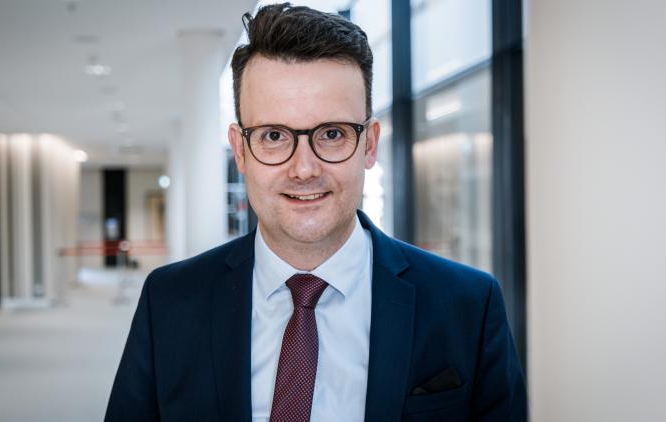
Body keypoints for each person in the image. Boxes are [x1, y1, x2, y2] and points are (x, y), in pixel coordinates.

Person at [105, 3, 527, 421]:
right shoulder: (169, 302)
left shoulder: (468, 305)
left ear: (369, 144)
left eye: (332, 133)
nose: (304, 169)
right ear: (240, 150)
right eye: (274, 136)